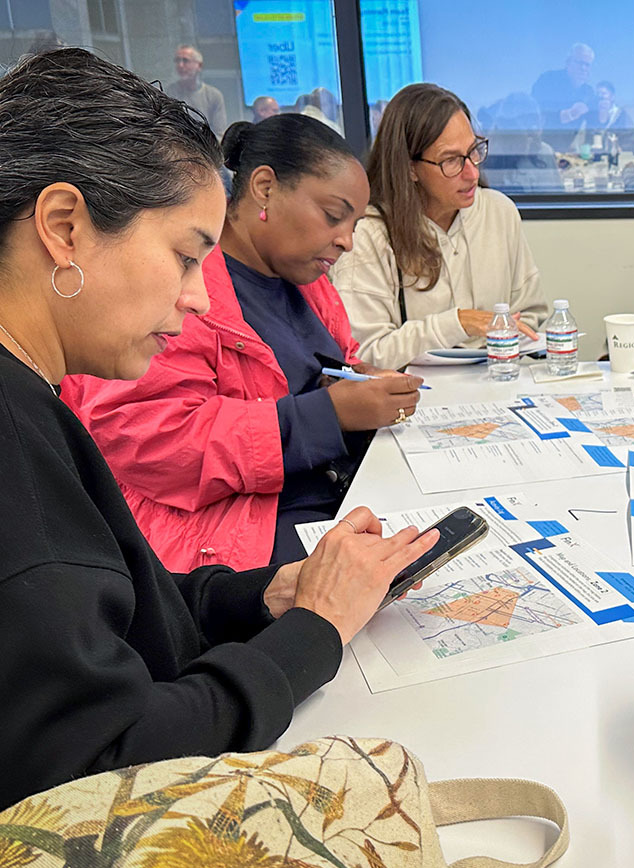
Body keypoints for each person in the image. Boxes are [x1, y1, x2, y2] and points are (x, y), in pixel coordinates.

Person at [0, 48, 439, 811]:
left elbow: (122, 613)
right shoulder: (17, 446)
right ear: (64, 228)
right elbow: (103, 769)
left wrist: (262, 597)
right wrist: (315, 633)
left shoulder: (35, 404)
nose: (201, 299)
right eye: (183, 257)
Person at [63, 114, 423, 569]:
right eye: (333, 217)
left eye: (354, 224)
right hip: (232, 529)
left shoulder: (308, 282)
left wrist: (361, 381)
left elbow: (337, 363)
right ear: (265, 188)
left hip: (333, 491)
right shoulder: (179, 290)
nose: (347, 241)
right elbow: (151, 442)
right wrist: (327, 415)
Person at [330, 83, 546, 369]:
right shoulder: (369, 233)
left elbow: (530, 315)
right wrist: (457, 323)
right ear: (409, 167)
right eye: (451, 161)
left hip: (498, 379)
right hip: (416, 398)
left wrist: (505, 339)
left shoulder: (499, 211)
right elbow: (365, 353)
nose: (472, 172)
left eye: (474, 151)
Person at [531, 43, 596, 151]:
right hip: (539, 148)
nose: (584, 68)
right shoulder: (547, 80)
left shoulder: (588, 92)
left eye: (587, 65)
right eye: (580, 63)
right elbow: (533, 112)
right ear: (568, 63)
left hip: (566, 152)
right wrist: (564, 115)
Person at [165, 44, 226, 136]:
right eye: (177, 61)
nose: (180, 65)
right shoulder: (169, 92)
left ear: (199, 66)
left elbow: (219, 133)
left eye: (185, 60)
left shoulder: (214, 95)